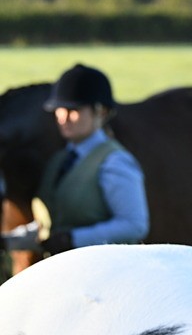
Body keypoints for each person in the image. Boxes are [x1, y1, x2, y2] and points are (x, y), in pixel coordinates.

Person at [37, 64, 149, 255]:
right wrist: (12, 241)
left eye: (74, 110)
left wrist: (74, 239)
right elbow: (55, 224)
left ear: (101, 112)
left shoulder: (115, 161)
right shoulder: (59, 160)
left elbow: (134, 225)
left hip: (105, 268)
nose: (63, 118)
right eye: (60, 110)